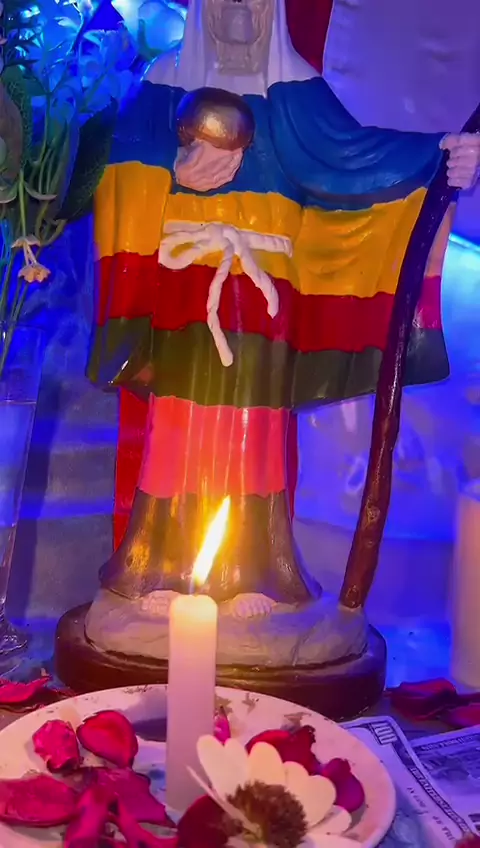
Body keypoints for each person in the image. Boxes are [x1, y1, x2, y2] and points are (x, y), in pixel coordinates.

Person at [87, 0, 480, 625]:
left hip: (262, 296)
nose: (238, 11)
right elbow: (121, 164)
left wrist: (440, 156)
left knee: (254, 431)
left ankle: (254, 569)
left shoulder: (297, 93)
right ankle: (161, 562)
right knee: (177, 429)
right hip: (183, 290)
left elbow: (355, 159)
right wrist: (176, 170)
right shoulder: (164, 84)